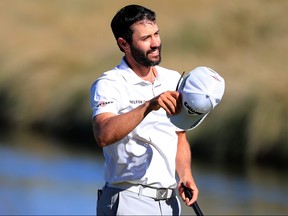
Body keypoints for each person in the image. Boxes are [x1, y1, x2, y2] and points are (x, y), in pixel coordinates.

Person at [90, 4, 198, 215]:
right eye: (145, 38)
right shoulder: (109, 83)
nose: (155, 43)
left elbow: (179, 136)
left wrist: (185, 174)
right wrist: (150, 104)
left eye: (156, 34)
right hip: (128, 200)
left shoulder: (173, 78)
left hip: (169, 204)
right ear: (124, 44)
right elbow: (102, 134)